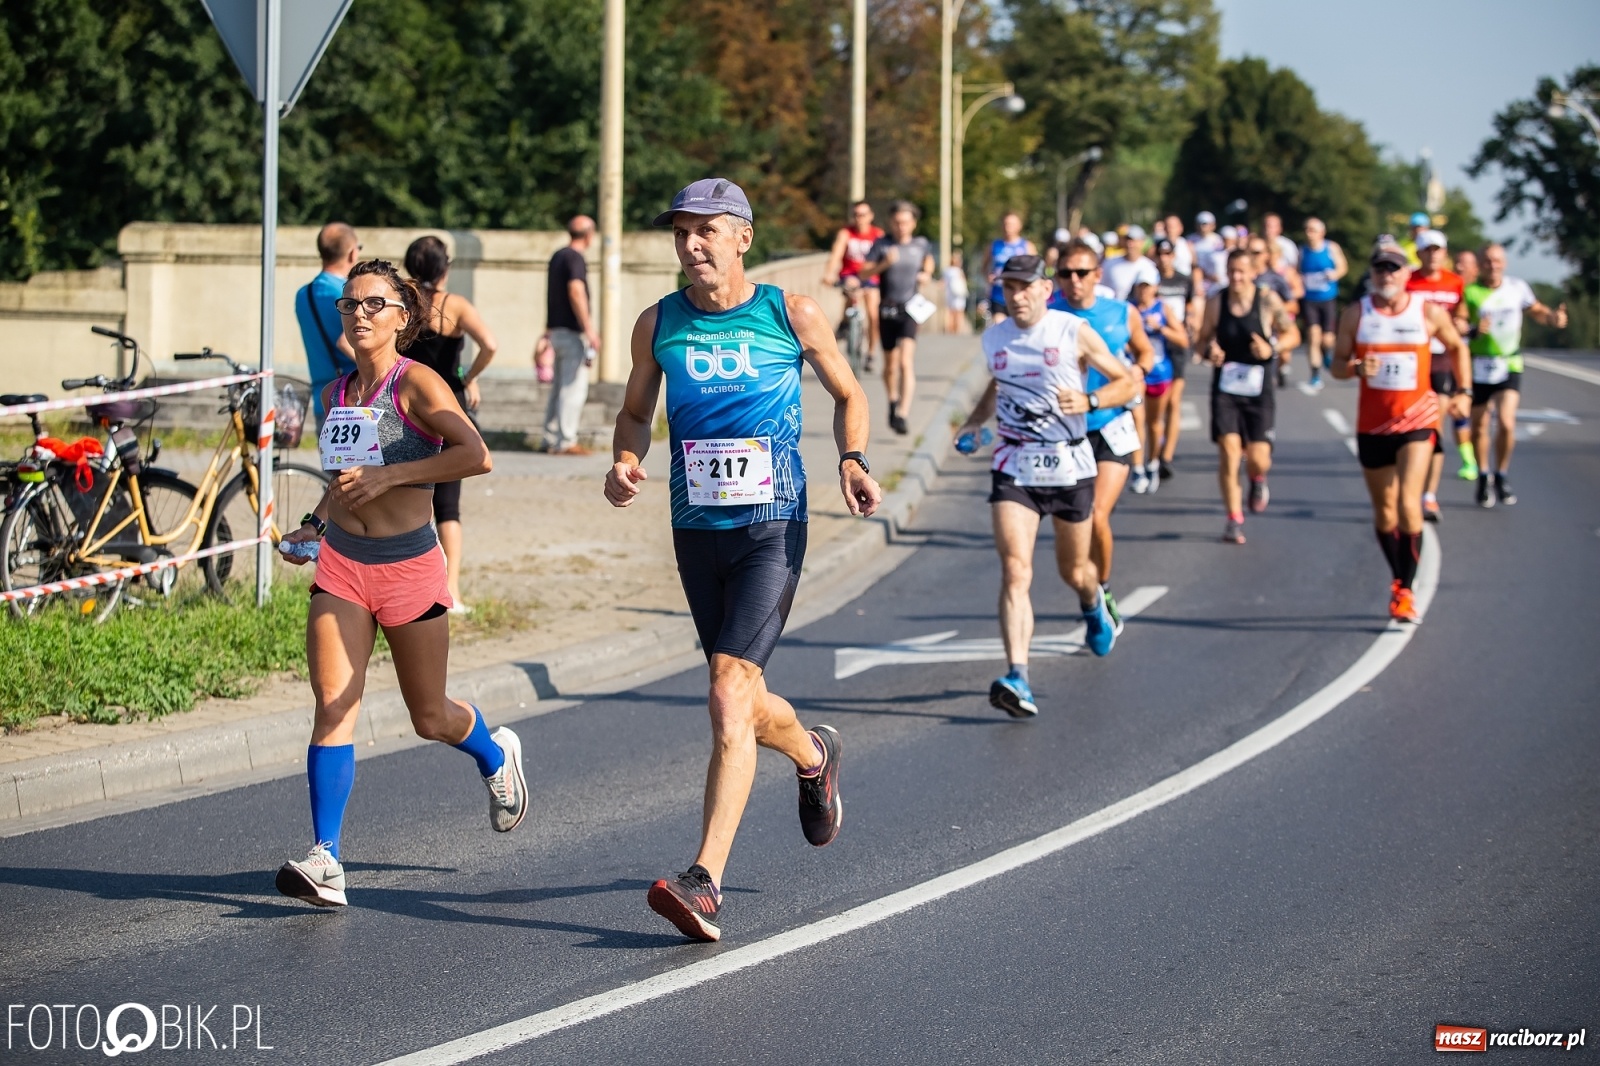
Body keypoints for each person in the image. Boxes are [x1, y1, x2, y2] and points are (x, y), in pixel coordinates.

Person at [605, 178, 882, 942]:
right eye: (681, 232)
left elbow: (849, 391)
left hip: (772, 525)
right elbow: (635, 410)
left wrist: (852, 459)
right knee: (744, 697)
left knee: (728, 693)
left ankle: (703, 881)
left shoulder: (788, 313)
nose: (692, 244)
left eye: (707, 231)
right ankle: (812, 751)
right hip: (697, 529)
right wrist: (626, 458)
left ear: (743, 240)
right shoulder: (658, 322)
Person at [275, 260, 520, 908]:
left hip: (410, 568)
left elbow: (476, 454)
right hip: (343, 566)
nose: (358, 314)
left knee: (430, 716)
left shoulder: (417, 386)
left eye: (373, 304)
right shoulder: (333, 394)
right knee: (334, 702)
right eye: (349, 305)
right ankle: (326, 858)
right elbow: (344, 481)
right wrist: (313, 525)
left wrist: (395, 477)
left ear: (401, 317)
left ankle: (494, 753)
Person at [954, 254, 1132, 717]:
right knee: (1016, 571)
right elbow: (999, 384)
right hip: (1015, 466)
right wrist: (974, 424)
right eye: (1009, 287)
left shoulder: (1071, 331)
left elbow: (1127, 381)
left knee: (1074, 573)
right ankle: (1019, 676)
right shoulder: (994, 337)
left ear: (1044, 290)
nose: (1016, 296)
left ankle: (1094, 605)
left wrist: (1092, 398)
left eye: (1025, 287)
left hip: (1070, 467)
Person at [1330, 245, 1469, 622]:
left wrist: (1463, 392)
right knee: (1384, 511)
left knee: (1410, 504)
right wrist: (1357, 368)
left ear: (1407, 273)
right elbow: (1337, 366)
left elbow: (1457, 347)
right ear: (1371, 274)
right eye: (1380, 269)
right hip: (1373, 425)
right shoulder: (1356, 314)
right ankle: (1398, 578)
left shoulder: (1427, 312)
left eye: (1393, 269)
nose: (1386, 275)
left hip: (1418, 420)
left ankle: (1405, 591)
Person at [1051, 240, 1153, 621]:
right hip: (1065, 431)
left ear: (1097, 276)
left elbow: (1144, 351)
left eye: (1082, 273)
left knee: (1096, 516)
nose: (1074, 280)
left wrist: (1139, 371)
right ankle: (1087, 583)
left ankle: (1104, 587)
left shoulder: (1121, 313)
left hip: (1111, 423)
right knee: (1072, 525)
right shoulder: (1049, 315)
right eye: (1065, 273)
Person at [403, 235, 500, 612]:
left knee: (409, 495)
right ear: (446, 267)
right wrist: (467, 376)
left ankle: (411, 585)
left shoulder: (404, 303)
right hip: (447, 405)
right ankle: (451, 592)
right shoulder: (454, 305)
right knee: (449, 506)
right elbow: (490, 344)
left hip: (407, 404)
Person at [1194, 248, 1300, 544]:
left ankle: (1257, 479)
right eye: (1232, 272)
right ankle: (1233, 519)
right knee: (1228, 453)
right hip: (1226, 387)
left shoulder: (1266, 299)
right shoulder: (1218, 301)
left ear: (1253, 272)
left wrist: (1272, 349)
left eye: (1242, 272)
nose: (1236, 278)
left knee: (1258, 458)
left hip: (1258, 388)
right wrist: (1209, 351)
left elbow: (1293, 334)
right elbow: (1201, 339)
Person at [1464, 244, 1567, 507]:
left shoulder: (1517, 288)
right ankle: (1483, 475)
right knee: (1478, 427)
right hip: (1478, 364)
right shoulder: (1470, 291)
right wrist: (1474, 329)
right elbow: (1459, 322)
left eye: (1497, 260)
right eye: (1487, 261)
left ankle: (1502, 474)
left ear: (1505, 263)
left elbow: (1537, 311)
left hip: (1509, 362)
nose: (1493, 265)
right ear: (1480, 264)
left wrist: (1553, 318)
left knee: (1507, 422)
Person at [1404, 231, 1469, 523]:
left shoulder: (1455, 282)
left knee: (1435, 424)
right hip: (1412, 359)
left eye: (1438, 250)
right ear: (1419, 254)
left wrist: (1462, 323)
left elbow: (1462, 315)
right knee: (1407, 426)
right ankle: (1408, 486)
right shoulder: (1407, 280)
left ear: (1445, 253)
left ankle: (1428, 495)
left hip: (1442, 358)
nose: (1433, 255)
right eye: (1427, 250)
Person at [860, 201, 935, 436]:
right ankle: (892, 400)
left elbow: (929, 260)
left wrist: (927, 274)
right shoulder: (882, 245)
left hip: (910, 309)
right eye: (897, 222)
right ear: (891, 223)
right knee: (890, 366)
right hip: (887, 309)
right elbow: (863, 272)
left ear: (913, 223)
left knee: (905, 362)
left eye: (905, 222)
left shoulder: (920, 244)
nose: (901, 226)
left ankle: (902, 413)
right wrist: (884, 264)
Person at [544, 216, 600, 454]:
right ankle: (566, 440)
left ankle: (549, 437)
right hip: (571, 333)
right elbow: (576, 290)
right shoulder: (575, 258)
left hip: (556, 331)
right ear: (589, 235)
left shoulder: (558, 256)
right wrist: (590, 330)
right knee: (573, 388)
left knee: (558, 388)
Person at [295, 222, 360, 428]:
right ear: (352, 254)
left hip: (323, 400)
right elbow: (345, 342)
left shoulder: (303, 295)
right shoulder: (349, 294)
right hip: (355, 400)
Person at [1131, 278, 1187, 493]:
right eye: (1140, 286)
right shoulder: (1130, 310)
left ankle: (1152, 463)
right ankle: (1137, 468)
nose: (1143, 291)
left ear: (1155, 288)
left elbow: (1183, 339)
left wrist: (1161, 328)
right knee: (1137, 418)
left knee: (1154, 422)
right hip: (1137, 372)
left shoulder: (1162, 308)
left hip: (1160, 372)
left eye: (1147, 287)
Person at [1153, 237, 1200, 480]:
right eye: (1159, 254)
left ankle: (1166, 456)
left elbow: (1191, 305)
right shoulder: (1148, 279)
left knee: (1174, 401)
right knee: (1158, 403)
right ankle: (1156, 446)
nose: (1163, 259)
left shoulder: (1184, 280)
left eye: (1167, 254)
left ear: (1173, 256)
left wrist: (1192, 321)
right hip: (1155, 344)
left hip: (1177, 343)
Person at [822, 201, 885, 369]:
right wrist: (829, 274)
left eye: (863, 215)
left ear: (870, 216)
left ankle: (871, 353)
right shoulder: (846, 233)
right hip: (849, 275)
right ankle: (844, 323)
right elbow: (836, 254)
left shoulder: (877, 235)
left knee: (873, 313)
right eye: (856, 215)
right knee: (850, 294)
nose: (860, 219)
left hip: (871, 276)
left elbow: (883, 259)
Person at [1298, 217, 1347, 391]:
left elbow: (1343, 267)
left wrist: (1334, 274)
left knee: (1327, 339)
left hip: (1327, 298)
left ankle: (1326, 354)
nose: (1309, 233)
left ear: (1322, 232)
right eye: (1307, 230)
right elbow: (1297, 272)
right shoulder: (1302, 251)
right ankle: (1315, 375)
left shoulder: (1331, 248)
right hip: (1309, 300)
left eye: (1313, 230)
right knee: (1313, 336)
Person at [1247, 235, 1302, 385]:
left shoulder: (1275, 278)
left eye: (1257, 252)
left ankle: (1280, 370)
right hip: (1248, 330)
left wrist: (1272, 310)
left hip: (1272, 329)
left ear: (1265, 254)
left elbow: (1294, 305)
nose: (1253, 256)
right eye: (1249, 252)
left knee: (1282, 357)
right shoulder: (1241, 278)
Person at [982, 212, 1038, 324]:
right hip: (998, 293)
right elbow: (984, 266)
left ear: (1019, 226)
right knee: (999, 322)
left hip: (1020, 294)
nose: (1008, 227)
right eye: (1006, 224)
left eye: (1012, 224)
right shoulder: (994, 245)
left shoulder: (1027, 246)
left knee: (1018, 325)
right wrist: (988, 277)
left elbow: (1036, 270)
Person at [1103, 224, 1159, 301]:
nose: (1130, 244)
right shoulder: (1110, 263)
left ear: (1142, 242)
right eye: (1127, 239)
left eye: (1134, 240)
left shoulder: (1150, 267)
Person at [943, 248, 969, 333]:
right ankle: (956, 328)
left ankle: (950, 328)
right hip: (958, 293)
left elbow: (943, 282)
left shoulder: (947, 270)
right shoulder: (958, 271)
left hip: (950, 293)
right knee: (958, 311)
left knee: (951, 311)